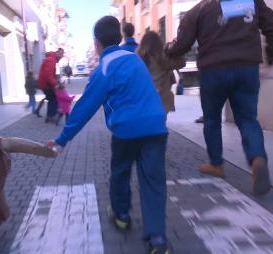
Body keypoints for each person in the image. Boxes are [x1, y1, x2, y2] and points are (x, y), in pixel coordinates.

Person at [46, 16, 171, 254]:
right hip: (156, 127)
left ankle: (122, 215)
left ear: (97, 43)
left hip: (126, 130)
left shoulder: (104, 68)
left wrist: (61, 140)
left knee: (120, 172)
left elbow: (84, 108)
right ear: (119, 37)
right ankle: (157, 239)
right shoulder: (135, 59)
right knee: (153, 182)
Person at [165, 0, 273, 195]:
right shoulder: (250, 2)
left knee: (211, 120)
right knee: (247, 119)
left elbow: (183, 41)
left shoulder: (202, 8)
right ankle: (257, 159)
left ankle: (217, 164)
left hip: (213, 70)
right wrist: (270, 54)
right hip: (247, 67)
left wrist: (169, 50)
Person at [138, 31, 185, 114]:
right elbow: (182, 63)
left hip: (143, 100)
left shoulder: (138, 58)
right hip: (161, 101)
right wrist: (171, 51)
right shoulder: (163, 59)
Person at [36, 48, 65, 122]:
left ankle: (49, 116)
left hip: (46, 84)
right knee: (53, 99)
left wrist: (56, 81)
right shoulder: (51, 60)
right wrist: (56, 84)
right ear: (57, 53)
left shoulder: (52, 60)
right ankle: (50, 116)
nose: (61, 57)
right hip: (45, 84)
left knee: (51, 98)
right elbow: (48, 75)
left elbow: (50, 74)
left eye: (62, 55)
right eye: (60, 54)